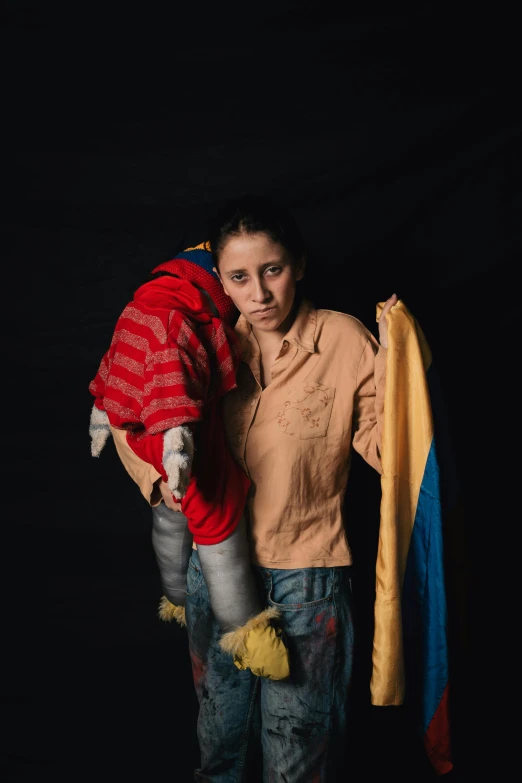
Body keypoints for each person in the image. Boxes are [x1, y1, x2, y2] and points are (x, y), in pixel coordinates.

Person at [179, 192, 398, 782]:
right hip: (217, 570)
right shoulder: (202, 338)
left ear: (298, 264)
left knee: (297, 756)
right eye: (239, 277)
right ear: (220, 280)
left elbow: (392, 450)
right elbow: (146, 425)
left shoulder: (346, 340)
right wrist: (162, 478)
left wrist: (406, 370)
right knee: (218, 744)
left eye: (272, 270)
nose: (259, 293)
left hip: (307, 578)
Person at [88, 243, 289, 680]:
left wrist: (102, 412)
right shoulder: (174, 322)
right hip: (171, 437)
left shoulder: (140, 306)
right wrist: (174, 458)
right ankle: (248, 632)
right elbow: (171, 390)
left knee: (172, 513)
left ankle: (175, 596)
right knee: (214, 511)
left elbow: (115, 368)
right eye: (237, 279)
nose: (254, 293)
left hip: (144, 430)